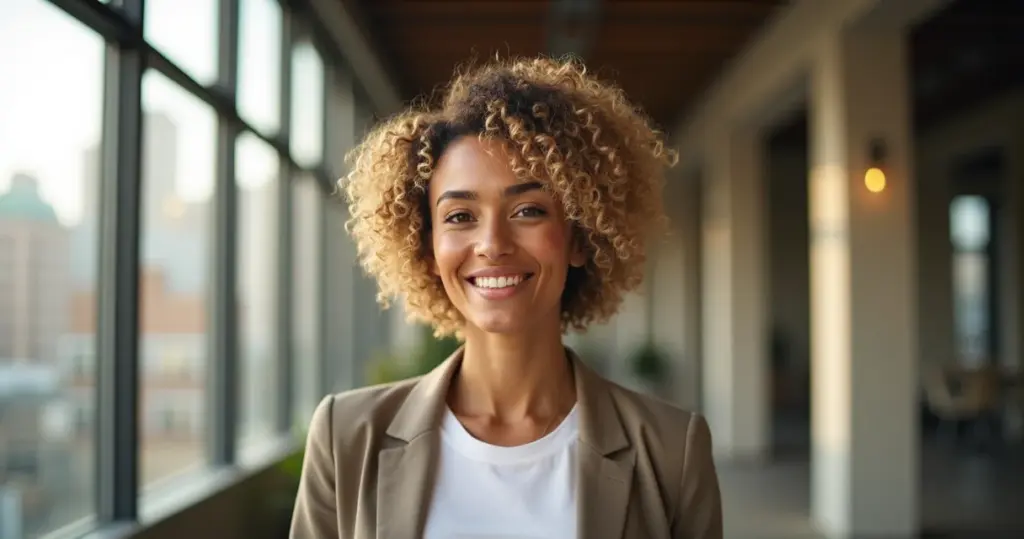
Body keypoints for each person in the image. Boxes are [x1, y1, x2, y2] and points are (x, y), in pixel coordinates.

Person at [290, 56, 722, 539]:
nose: (492, 243)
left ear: (581, 238)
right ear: (427, 248)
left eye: (528, 210)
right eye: (459, 216)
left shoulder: (670, 449)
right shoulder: (346, 436)